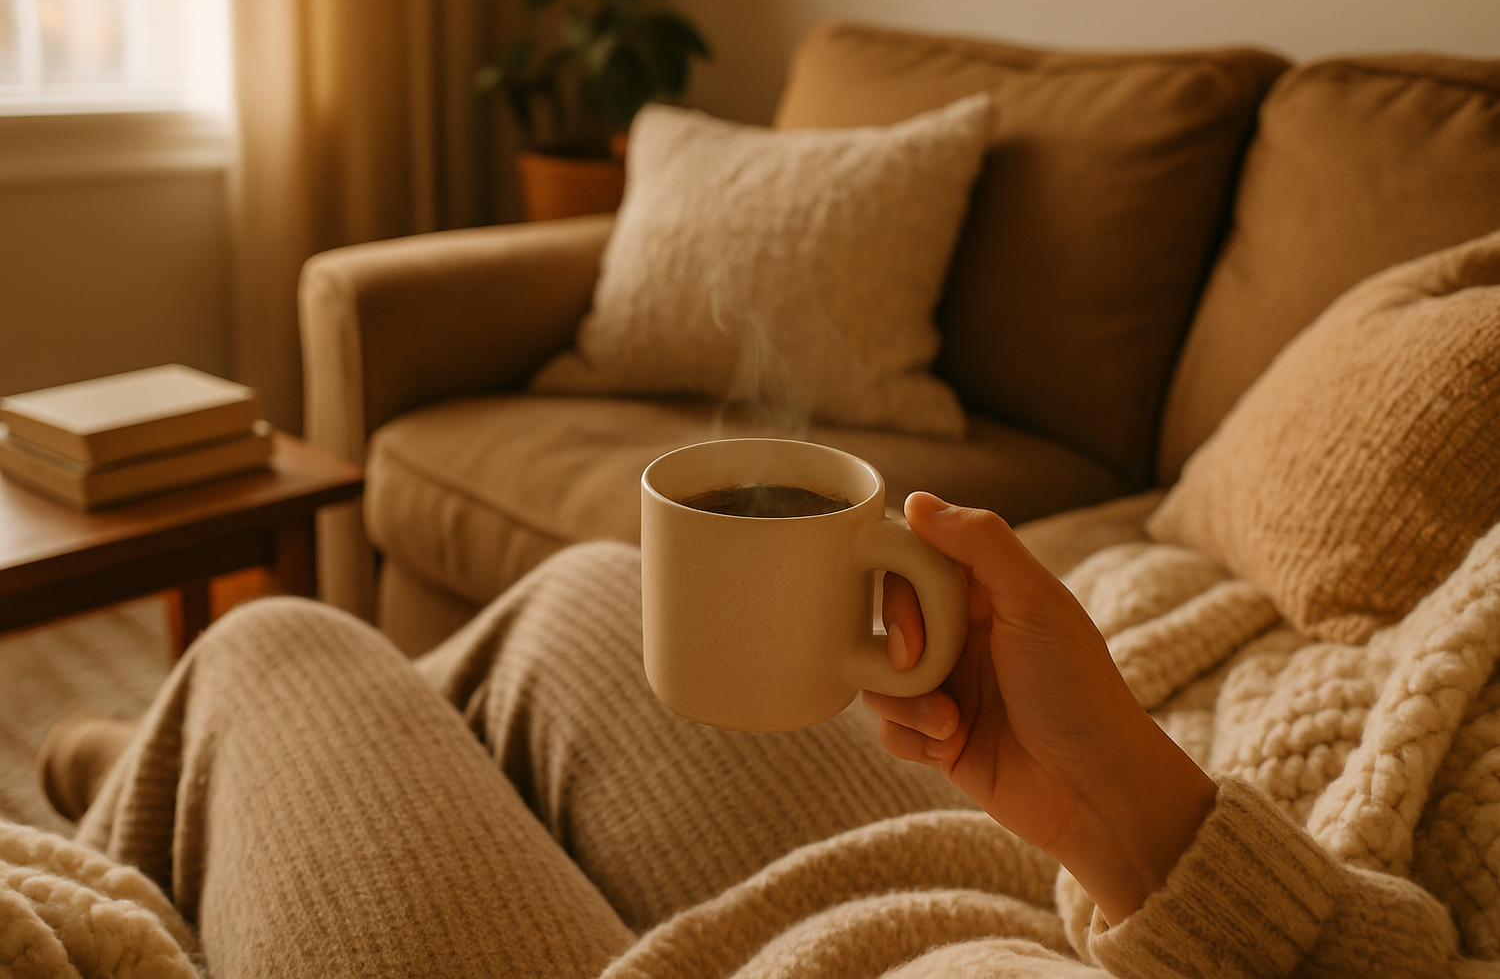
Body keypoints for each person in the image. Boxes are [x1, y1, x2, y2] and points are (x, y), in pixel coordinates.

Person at [32, 494, 1466, 977]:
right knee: (592, 588)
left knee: (281, 643)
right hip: (957, 908)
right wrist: (1142, 824)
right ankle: (226, 770)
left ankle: (163, 778)